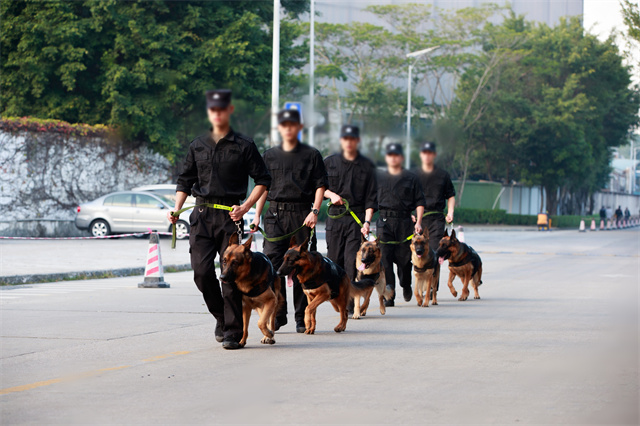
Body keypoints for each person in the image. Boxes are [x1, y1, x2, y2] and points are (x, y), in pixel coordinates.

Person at [169, 89, 271, 350]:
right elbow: (185, 180)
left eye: (221, 110)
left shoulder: (244, 145)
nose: (217, 114)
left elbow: (263, 180)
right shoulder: (197, 144)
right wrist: (175, 208)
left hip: (229, 217)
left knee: (230, 276)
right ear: (209, 113)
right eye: (213, 110)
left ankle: (233, 333)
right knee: (202, 273)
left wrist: (246, 206)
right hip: (201, 216)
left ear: (229, 111)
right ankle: (221, 317)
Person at [252, 109, 328, 333]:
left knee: (301, 267)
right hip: (275, 215)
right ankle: (278, 313)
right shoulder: (269, 155)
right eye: (284, 124)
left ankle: (299, 316)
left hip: (301, 215)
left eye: (292, 124)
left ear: (299, 128)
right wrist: (256, 214)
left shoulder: (312, 155)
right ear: (279, 128)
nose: (288, 128)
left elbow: (320, 185)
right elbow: (263, 187)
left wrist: (315, 211)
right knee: (273, 265)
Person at [324, 125, 377, 313]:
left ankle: (346, 302)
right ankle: (336, 296)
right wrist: (331, 195)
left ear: (357, 141)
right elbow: (319, 188)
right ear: (341, 141)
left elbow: (371, 198)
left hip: (356, 220)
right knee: (333, 260)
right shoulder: (329, 162)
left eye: (352, 139)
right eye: (345, 138)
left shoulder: (367, 166)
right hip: (335, 218)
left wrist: (367, 223)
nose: (349, 142)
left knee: (350, 263)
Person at [377, 143, 425, 306]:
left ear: (401, 158)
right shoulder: (379, 177)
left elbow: (419, 202)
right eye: (390, 155)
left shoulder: (411, 178)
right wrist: (366, 222)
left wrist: (418, 222)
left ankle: (405, 284)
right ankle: (389, 294)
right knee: (386, 259)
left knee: (404, 261)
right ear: (387, 157)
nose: (393, 158)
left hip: (404, 222)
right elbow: (370, 201)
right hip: (384, 223)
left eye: (396, 155)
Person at [416, 141, 455, 268]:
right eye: (424, 153)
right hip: (418, 220)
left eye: (430, 153)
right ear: (421, 155)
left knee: (433, 253)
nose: (427, 156)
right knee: (418, 254)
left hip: (436, 220)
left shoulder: (443, 175)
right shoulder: (413, 175)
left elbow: (450, 196)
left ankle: (432, 286)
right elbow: (407, 197)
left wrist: (450, 213)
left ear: (434, 155)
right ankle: (420, 285)